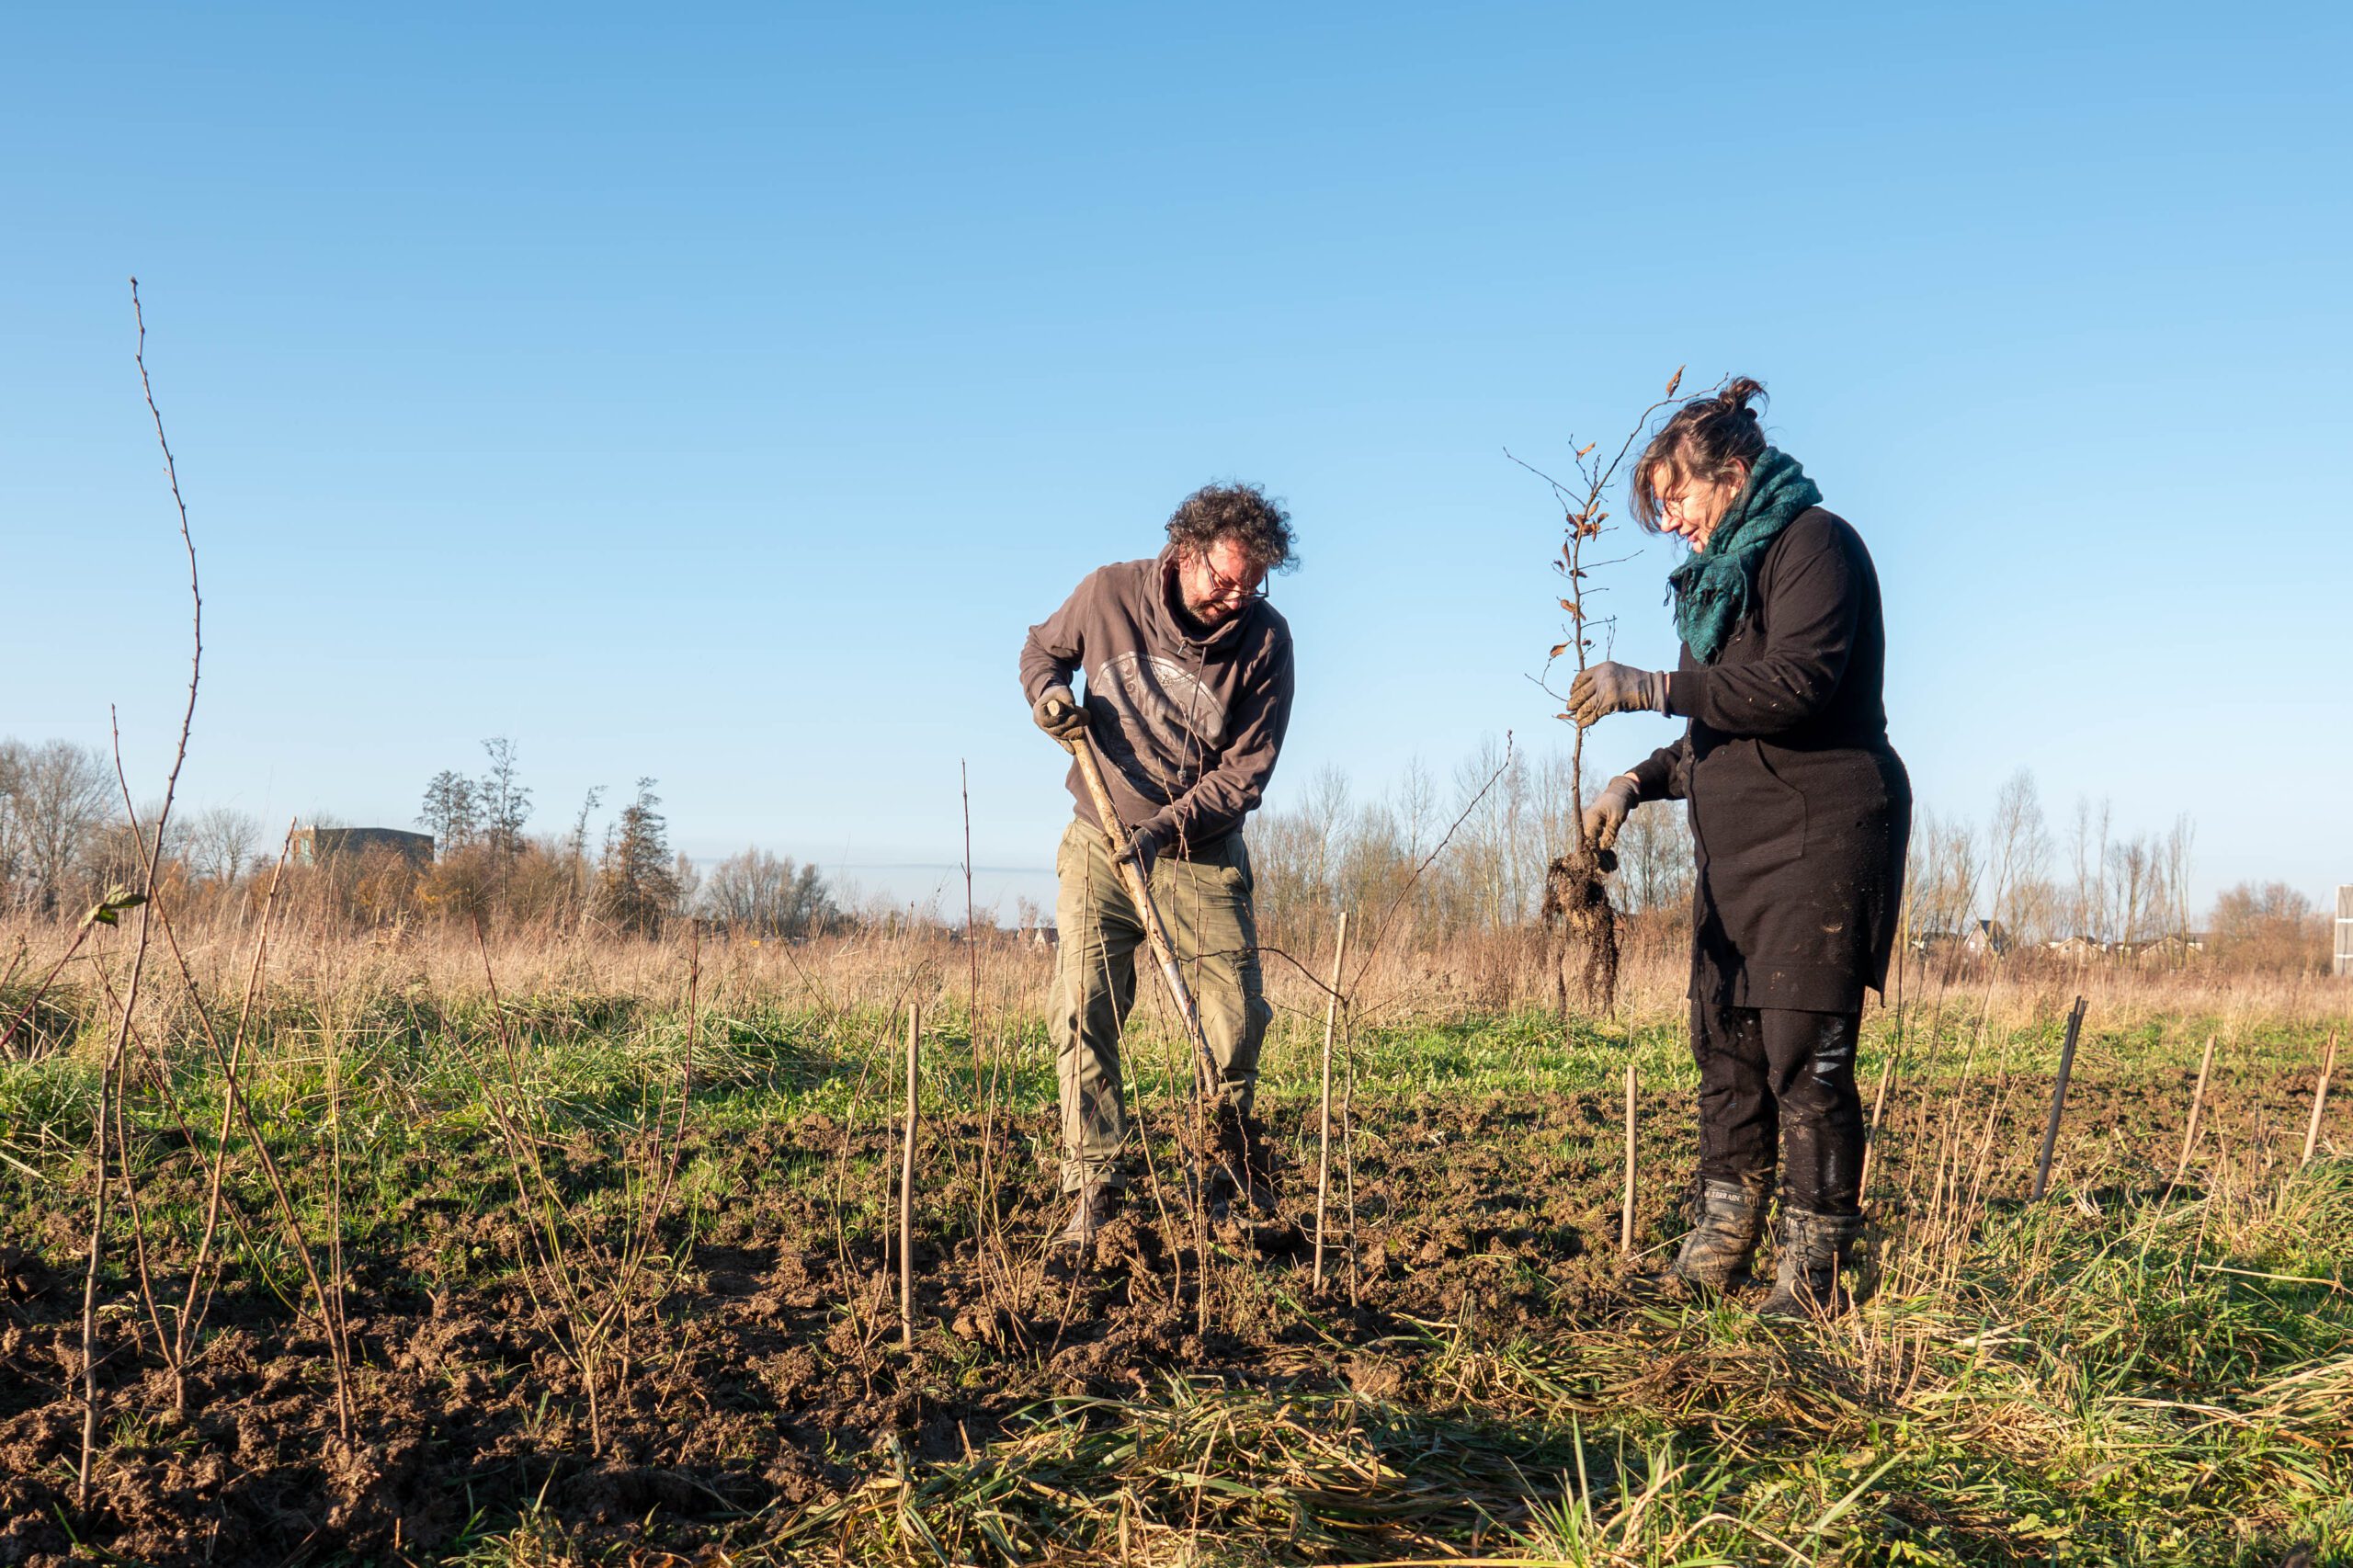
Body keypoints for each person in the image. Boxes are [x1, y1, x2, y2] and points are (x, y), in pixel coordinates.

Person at [1572, 378, 1909, 1318]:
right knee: (1725, 1041)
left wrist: (1650, 684)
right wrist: (1633, 782)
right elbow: (1716, 725)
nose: (1669, 518)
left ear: (1732, 472)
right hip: (1738, 844)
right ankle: (1721, 1236)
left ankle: (1818, 1274)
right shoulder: (1720, 588)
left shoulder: (1815, 546)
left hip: (1822, 830)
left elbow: (1792, 686)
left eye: (1675, 496)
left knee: (1804, 1054)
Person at [1018, 483, 1298, 1250]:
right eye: (1224, 578)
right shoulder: (1110, 593)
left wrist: (1163, 832)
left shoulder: (1266, 643)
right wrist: (1049, 698)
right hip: (1098, 844)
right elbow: (1043, 651)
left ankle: (1224, 1185)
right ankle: (1095, 1191)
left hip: (1200, 856)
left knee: (1233, 1022)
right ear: (1185, 552)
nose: (1237, 598)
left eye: (1253, 584)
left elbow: (1244, 778)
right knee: (1082, 1008)